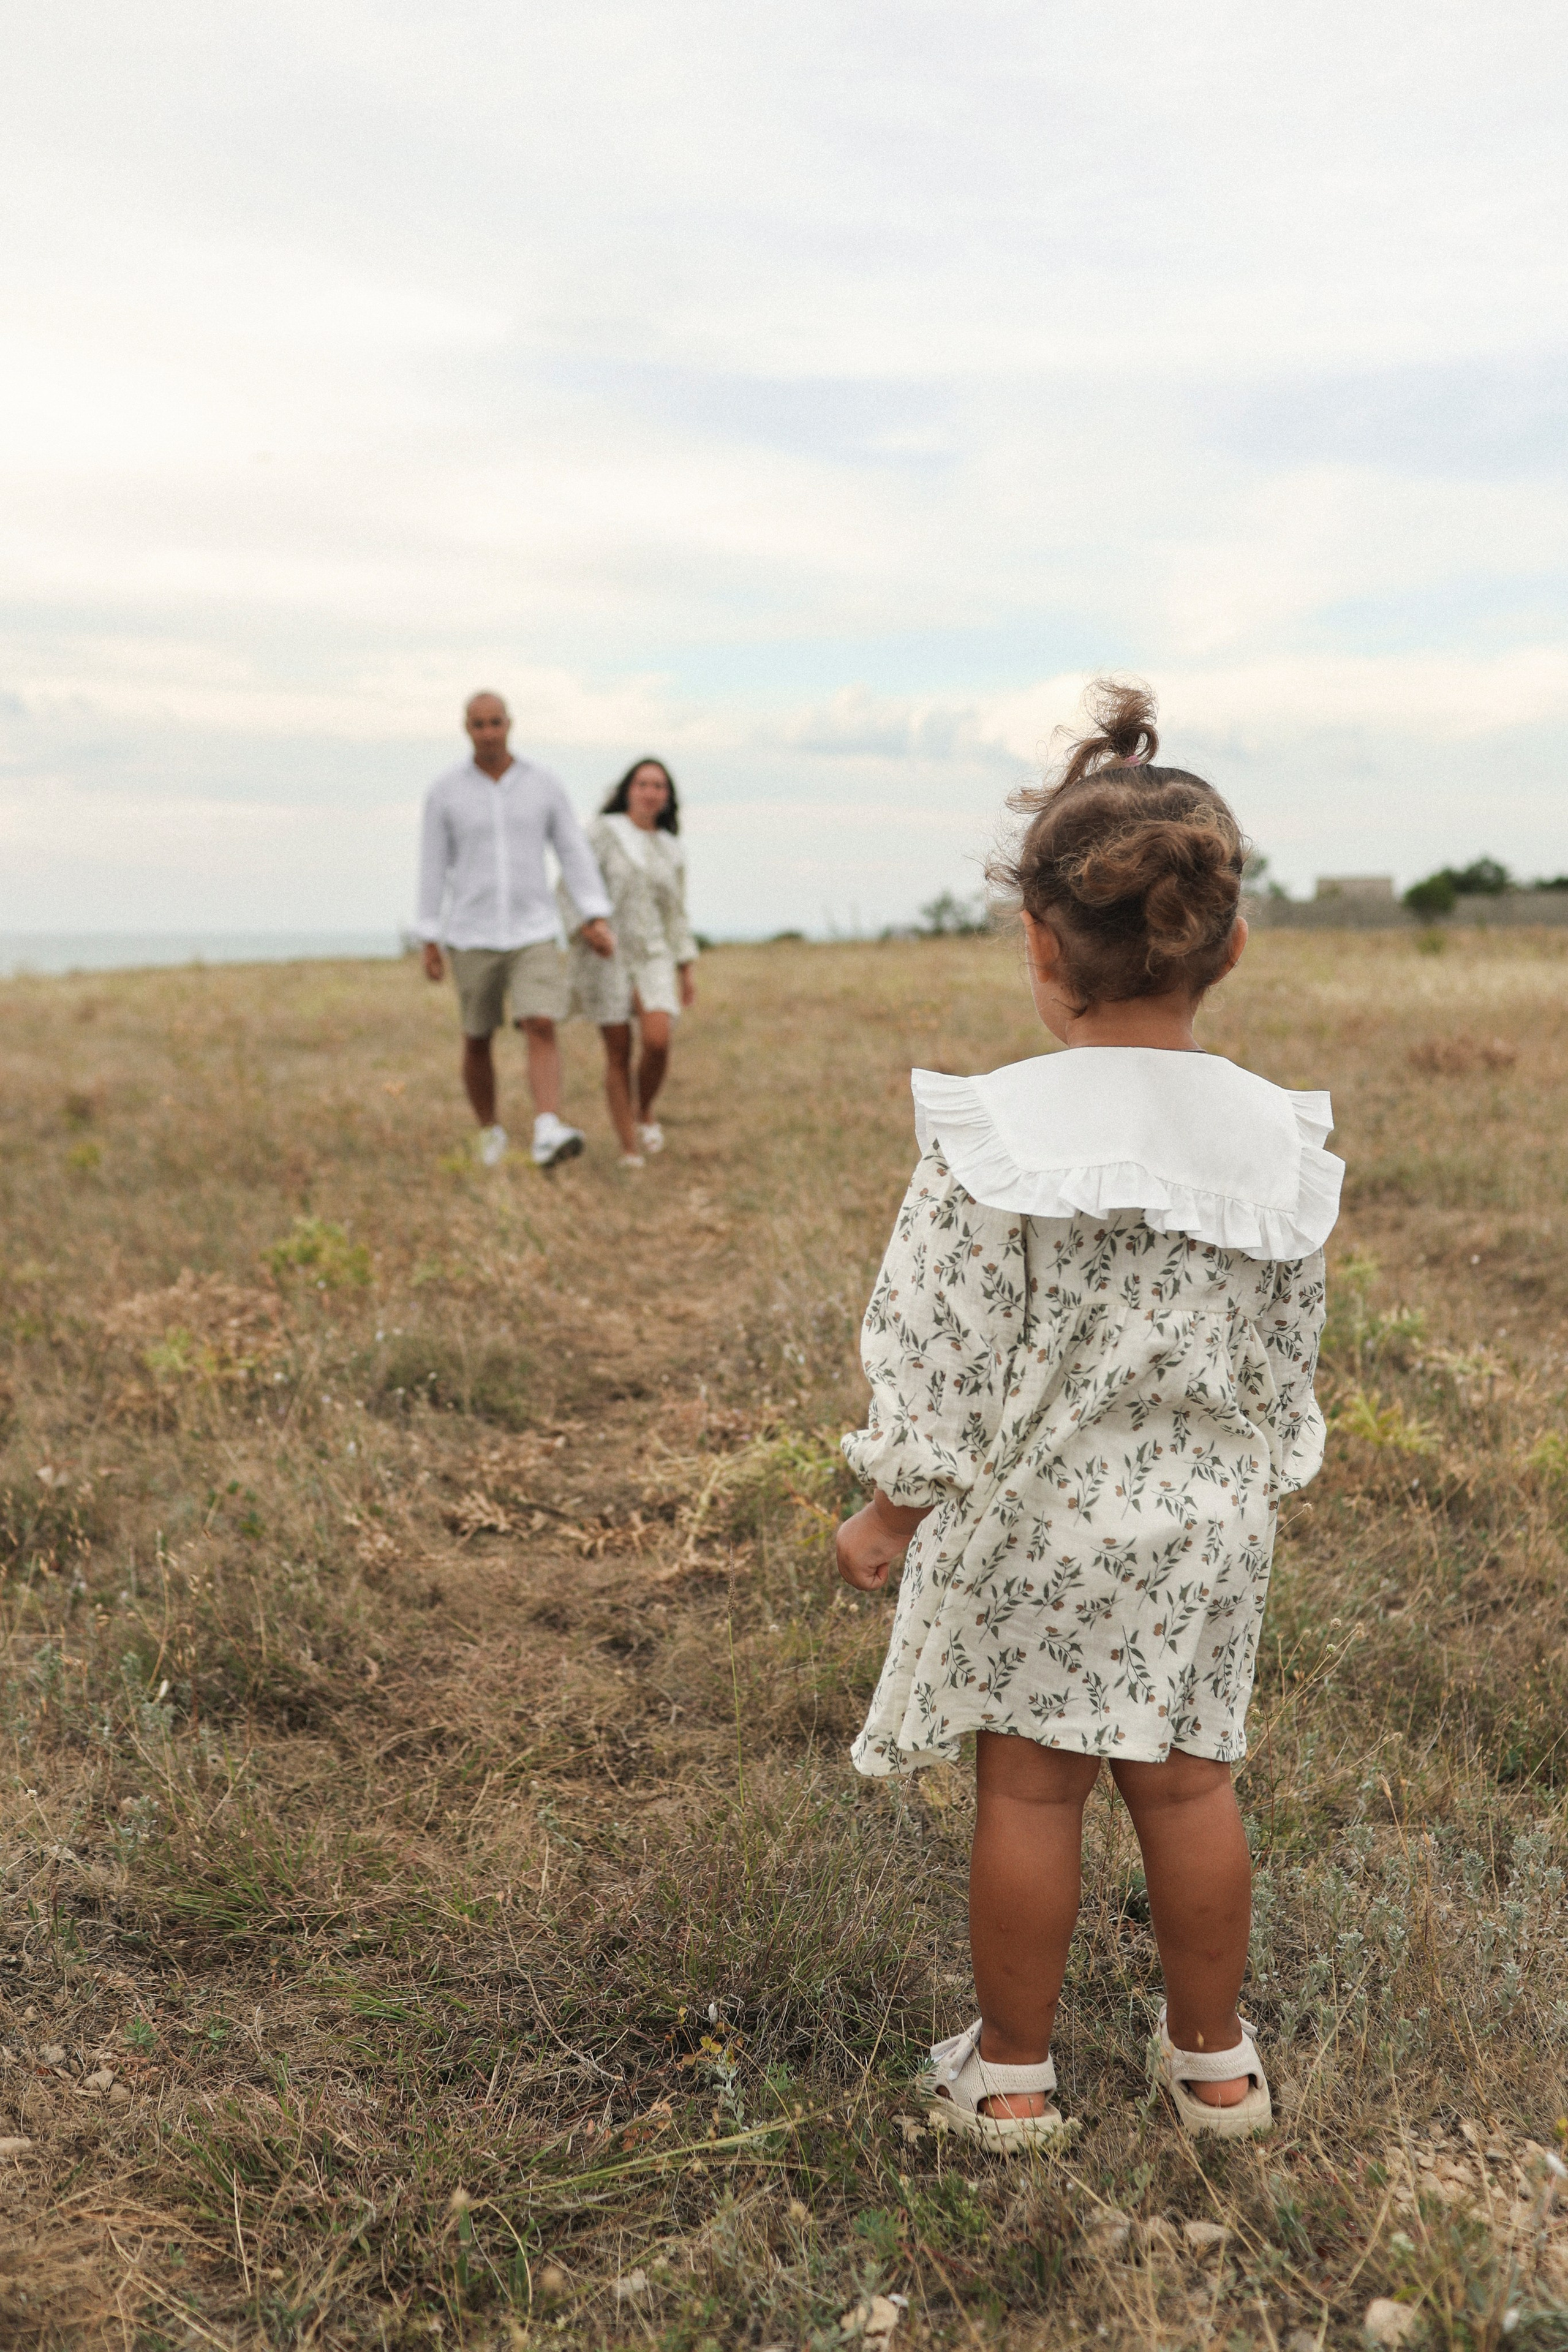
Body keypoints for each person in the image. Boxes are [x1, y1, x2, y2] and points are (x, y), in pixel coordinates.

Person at [834, 679, 1342, 2150]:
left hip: (1037, 1528)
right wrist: (1251, 1469)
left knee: (1033, 1790)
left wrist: (890, 1505)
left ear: (1040, 949)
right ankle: (1217, 2069)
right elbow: (1278, 1354)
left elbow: (936, 1349)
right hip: (1201, 1522)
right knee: (1187, 1786)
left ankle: (1006, 2077)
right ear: (1228, 944)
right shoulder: (1276, 1139)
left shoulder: (999, 1135)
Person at [416, 692, 615, 1168]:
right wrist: (429, 934)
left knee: (541, 1021)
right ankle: (490, 1131)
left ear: (510, 724)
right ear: (466, 729)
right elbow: (432, 864)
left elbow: (572, 850)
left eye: (495, 723)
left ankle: (548, 1127)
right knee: (477, 1034)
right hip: (470, 931)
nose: (488, 732)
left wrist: (593, 913)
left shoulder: (543, 783)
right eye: (479, 724)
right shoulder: (445, 791)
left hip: (534, 927)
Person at [559, 757, 698, 1167]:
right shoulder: (604, 833)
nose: (651, 792)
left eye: (659, 786)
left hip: (654, 954)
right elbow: (571, 883)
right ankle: (628, 1148)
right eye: (643, 784)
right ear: (628, 790)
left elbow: (677, 913)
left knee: (658, 1040)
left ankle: (645, 1109)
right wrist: (588, 928)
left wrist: (686, 967)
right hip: (607, 953)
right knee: (618, 1051)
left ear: (667, 796)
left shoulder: (672, 849)